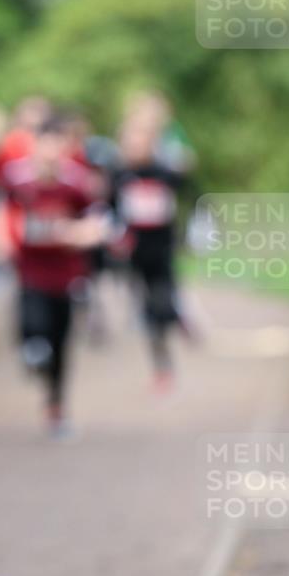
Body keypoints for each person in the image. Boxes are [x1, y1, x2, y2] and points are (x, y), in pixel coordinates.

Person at [0, 114, 105, 438]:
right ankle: (32, 352)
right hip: (30, 270)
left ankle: (56, 407)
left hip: (66, 274)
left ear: (65, 149)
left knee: (61, 343)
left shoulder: (77, 181)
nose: (50, 155)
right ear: (34, 146)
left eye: (57, 148)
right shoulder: (14, 178)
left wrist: (74, 233)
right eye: (44, 147)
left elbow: (97, 224)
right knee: (32, 325)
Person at [110, 114, 188, 391]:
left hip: (162, 250)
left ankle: (173, 326)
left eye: (142, 141)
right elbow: (108, 211)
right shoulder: (117, 175)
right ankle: (161, 363)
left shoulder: (165, 173)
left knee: (162, 306)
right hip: (132, 254)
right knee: (147, 310)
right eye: (131, 142)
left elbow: (185, 193)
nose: (136, 147)